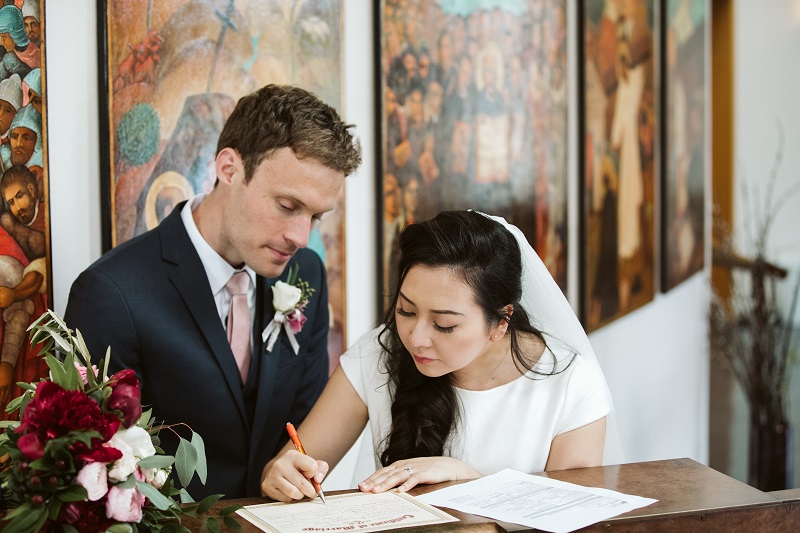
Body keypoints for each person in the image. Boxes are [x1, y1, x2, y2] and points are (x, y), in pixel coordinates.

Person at [64, 84, 362, 499]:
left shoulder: (305, 273)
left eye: (316, 216)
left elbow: (302, 427)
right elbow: (96, 472)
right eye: (288, 206)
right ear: (228, 168)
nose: (301, 236)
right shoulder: (112, 294)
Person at [261, 210, 622, 502]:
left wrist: (464, 476)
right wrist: (282, 474)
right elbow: (289, 463)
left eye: (445, 325)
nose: (416, 338)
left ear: (500, 321)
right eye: (405, 310)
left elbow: (570, 519)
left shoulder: (569, 383)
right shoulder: (378, 353)